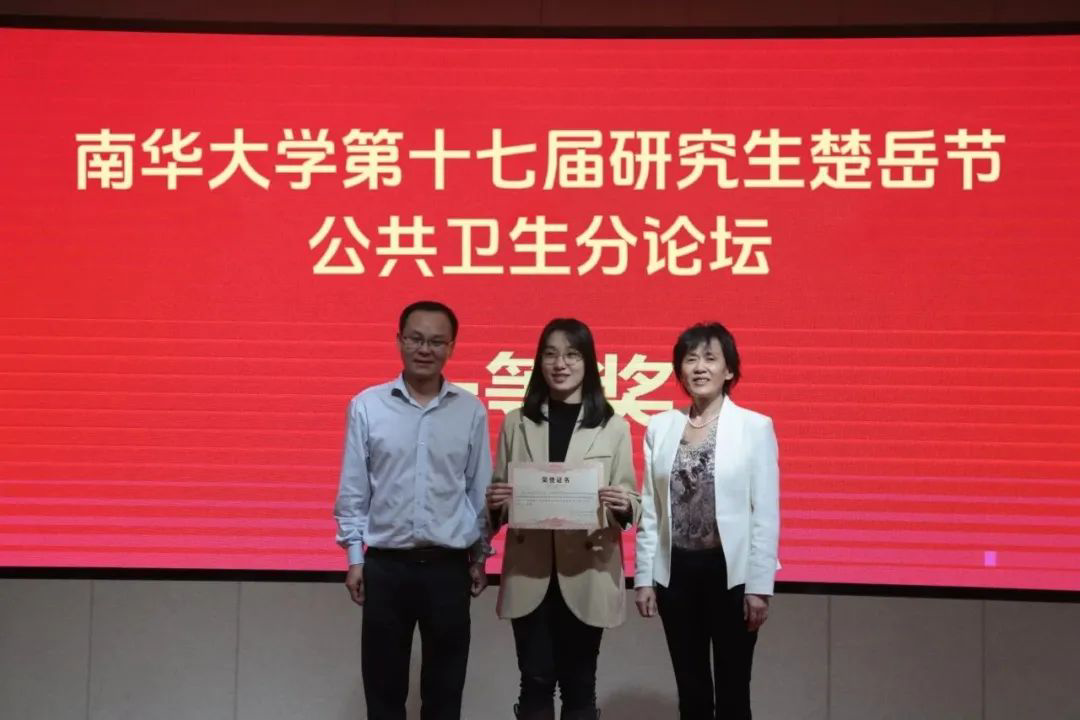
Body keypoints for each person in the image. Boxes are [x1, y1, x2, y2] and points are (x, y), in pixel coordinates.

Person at [333, 300, 492, 720]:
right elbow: (354, 490)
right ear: (399, 340)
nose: (425, 349)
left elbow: (478, 490)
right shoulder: (367, 405)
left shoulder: (470, 410)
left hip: (448, 568)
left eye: (437, 341)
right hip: (386, 567)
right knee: (383, 695)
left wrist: (480, 557)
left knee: (444, 695)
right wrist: (354, 559)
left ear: (451, 347)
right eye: (416, 339)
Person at [486, 318, 641, 720]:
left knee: (580, 684)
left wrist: (622, 504)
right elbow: (499, 497)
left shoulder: (613, 426)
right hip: (530, 570)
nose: (560, 364)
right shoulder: (516, 422)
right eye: (551, 354)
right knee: (534, 681)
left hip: (588, 569)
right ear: (539, 362)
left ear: (588, 362)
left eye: (572, 354)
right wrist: (496, 502)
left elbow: (632, 500)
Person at [634, 322, 780, 720]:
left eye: (710, 359)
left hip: (731, 575)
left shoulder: (754, 427)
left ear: (729, 370)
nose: (700, 367)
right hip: (677, 574)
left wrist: (759, 587)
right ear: (680, 370)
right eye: (690, 359)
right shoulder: (661, 426)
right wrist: (644, 577)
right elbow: (651, 508)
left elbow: (766, 513)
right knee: (691, 688)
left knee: (734, 691)